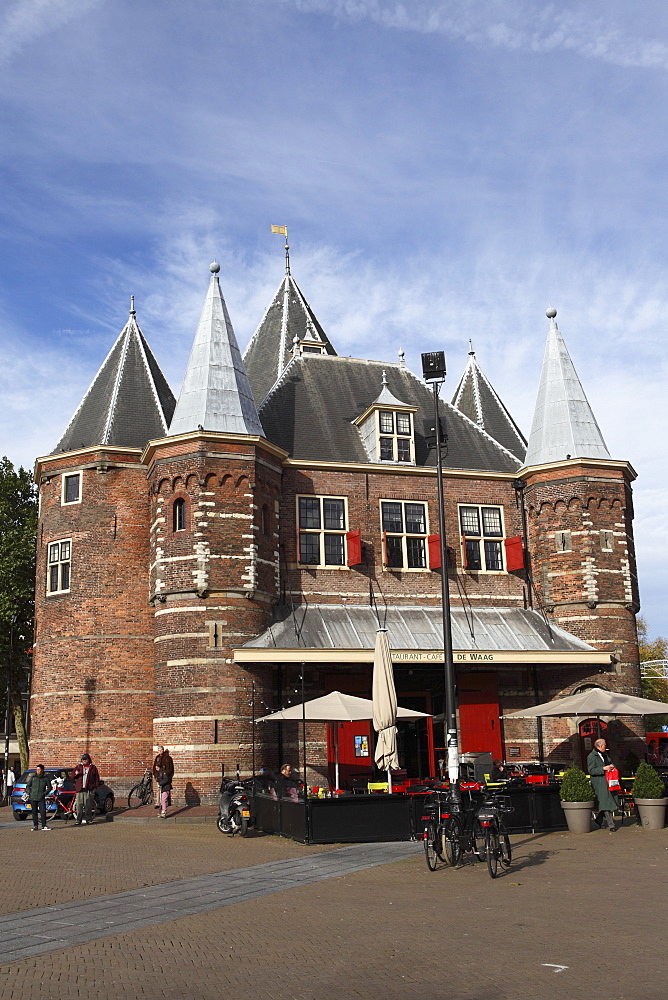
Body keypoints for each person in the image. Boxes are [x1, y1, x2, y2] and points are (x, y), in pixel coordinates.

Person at [587, 737, 619, 832]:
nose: (606, 746)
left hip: (609, 781)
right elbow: (591, 770)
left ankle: (599, 819)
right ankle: (611, 825)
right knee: (606, 802)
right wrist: (603, 769)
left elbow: (610, 763)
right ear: (600, 746)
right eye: (605, 745)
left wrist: (612, 766)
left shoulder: (604, 755)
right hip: (600, 782)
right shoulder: (592, 756)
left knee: (607, 801)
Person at [71, 753, 100, 825]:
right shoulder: (78, 767)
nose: (84, 760)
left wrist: (95, 787)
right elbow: (72, 777)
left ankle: (88, 819)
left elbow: (96, 778)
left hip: (89, 789)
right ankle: (78, 820)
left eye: (86, 759)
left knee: (88, 805)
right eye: (83, 759)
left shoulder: (93, 768)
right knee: (79, 805)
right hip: (80, 789)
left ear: (89, 759)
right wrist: (76, 774)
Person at [26, 764, 50, 831]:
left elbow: (49, 787)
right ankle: (35, 826)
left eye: (39, 769)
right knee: (34, 812)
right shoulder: (33, 778)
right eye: (37, 769)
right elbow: (28, 786)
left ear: (42, 770)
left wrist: (44, 793)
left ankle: (44, 825)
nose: (38, 771)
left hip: (41, 797)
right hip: (33, 797)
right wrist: (29, 792)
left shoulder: (45, 778)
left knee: (43, 811)